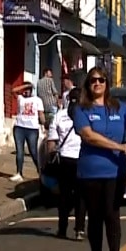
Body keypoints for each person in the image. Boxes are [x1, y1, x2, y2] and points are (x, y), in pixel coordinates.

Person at [71, 67, 126, 251]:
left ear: (107, 84)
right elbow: (89, 136)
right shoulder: (81, 109)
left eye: (101, 80)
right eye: (93, 81)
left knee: (112, 215)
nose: (97, 84)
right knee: (95, 217)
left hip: (115, 172)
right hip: (90, 172)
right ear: (88, 85)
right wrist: (118, 146)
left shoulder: (120, 109)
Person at [48, 88, 85, 240]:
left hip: (65, 160)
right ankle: (79, 230)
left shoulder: (59, 115)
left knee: (64, 196)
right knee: (81, 197)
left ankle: (62, 229)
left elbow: (51, 143)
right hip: (83, 160)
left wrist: (50, 159)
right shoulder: (87, 114)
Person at [10, 82, 45, 183]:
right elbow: (13, 91)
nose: (25, 92)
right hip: (19, 127)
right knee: (19, 151)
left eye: (27, 90)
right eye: (24, 90)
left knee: (33, 151)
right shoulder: (20, 98)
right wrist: (25, 86)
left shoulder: (37, 100)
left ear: (31, 91)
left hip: (32, 129)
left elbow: (41, 114)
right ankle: (19, 173)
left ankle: (40, 171)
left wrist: (44, 125)